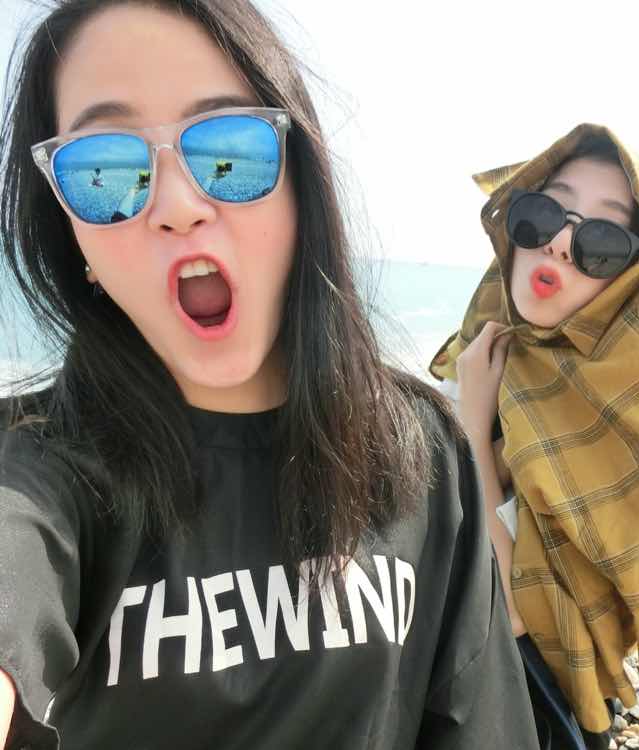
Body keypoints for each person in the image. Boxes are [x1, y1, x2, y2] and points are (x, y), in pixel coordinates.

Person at [0, 2, 541, 749]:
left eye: (230, 151)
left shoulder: (422, 453)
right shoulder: (33, 469)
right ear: (72, 234)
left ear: (300, 186)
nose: (178, 205)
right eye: (103, 169)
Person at [430, 124, 639, 750]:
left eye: (602, 240)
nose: (561, 244)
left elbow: (512, 612)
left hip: (531, 706)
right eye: (544, 214)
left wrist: (473, 435)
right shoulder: (481, 351)